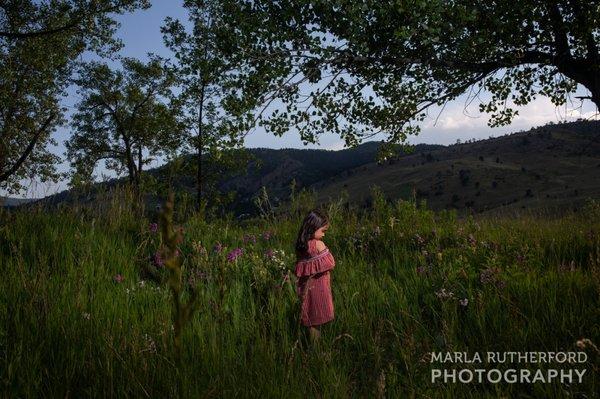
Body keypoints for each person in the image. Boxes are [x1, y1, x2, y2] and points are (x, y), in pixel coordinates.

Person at [294, 209, 336, 343]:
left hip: (306, 288)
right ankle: (315, 350)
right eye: (323, 231)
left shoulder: (301, 246)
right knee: (317, 317)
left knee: (311, 318)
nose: (323, 235)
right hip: (319, 286)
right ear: (314, 227)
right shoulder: (318, 244)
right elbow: (331, 262)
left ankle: (312, 346)